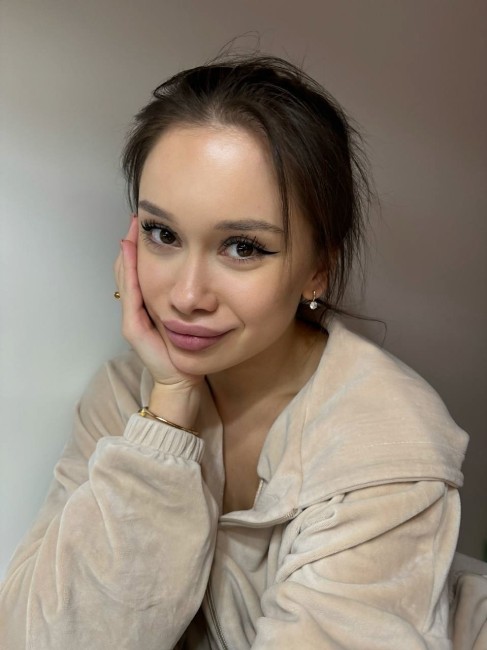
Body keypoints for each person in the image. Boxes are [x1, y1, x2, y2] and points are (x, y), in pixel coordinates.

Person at [0, 54, 471, 649]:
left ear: (318, 269)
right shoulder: (125, 397)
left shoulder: (389, 445)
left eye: (243, 247)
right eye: (163, 234)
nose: (187, 296)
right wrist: (168, 413)